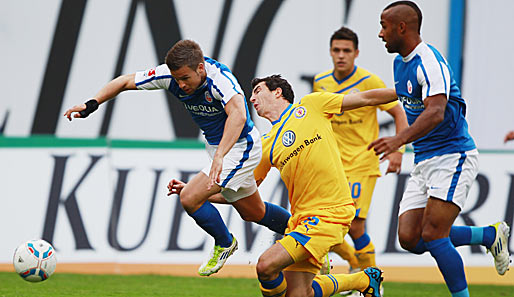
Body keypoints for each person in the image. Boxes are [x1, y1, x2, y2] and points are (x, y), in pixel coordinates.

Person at [63, 39, 291, 277]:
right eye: (177, 79)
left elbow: (239, 115)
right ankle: (302, 236)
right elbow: (125, 81)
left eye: (185, 78)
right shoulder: (169, 76)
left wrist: (220, 157)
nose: (180, 85)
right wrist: (92, 104)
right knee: (253, 212)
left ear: (201, 68)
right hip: (218, 149)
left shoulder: (220, 79)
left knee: (189, 198)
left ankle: (225, 243)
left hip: (241, 146)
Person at [370, 2, 511, 296]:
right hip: (424, 160)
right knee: (409, 238)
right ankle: (488, 235)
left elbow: (436, 111)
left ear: (402, 28)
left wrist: (398, 140)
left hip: (453, 155)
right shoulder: (400, 63)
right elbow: (403, 95)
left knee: (434, 235)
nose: (380, 34)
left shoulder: (429, 61)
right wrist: (350, 100)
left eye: (384, 26)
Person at [247, 74, 400, 297]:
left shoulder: (312, 105)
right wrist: (199, 192)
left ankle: (357, 270)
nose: (252, 98)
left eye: (257, 91)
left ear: (277, 92)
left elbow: (366, 98)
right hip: (300, 220)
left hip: (331, 213)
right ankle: (363, 279)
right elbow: (244, 190)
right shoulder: (266, 143)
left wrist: (406, 91)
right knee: (300, 293)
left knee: (265, 266)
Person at [313, 26, 408, 281]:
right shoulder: (321, 81)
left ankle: (372, 280)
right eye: (336, 50)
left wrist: (398, 149)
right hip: (332, 165)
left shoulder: (369, 81)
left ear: (356, 53)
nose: (341, 55)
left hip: (361, 162)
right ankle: (356, 262)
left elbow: (399, 112)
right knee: (321, 221)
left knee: (355, 225)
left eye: (346, 50)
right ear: (330, 52)